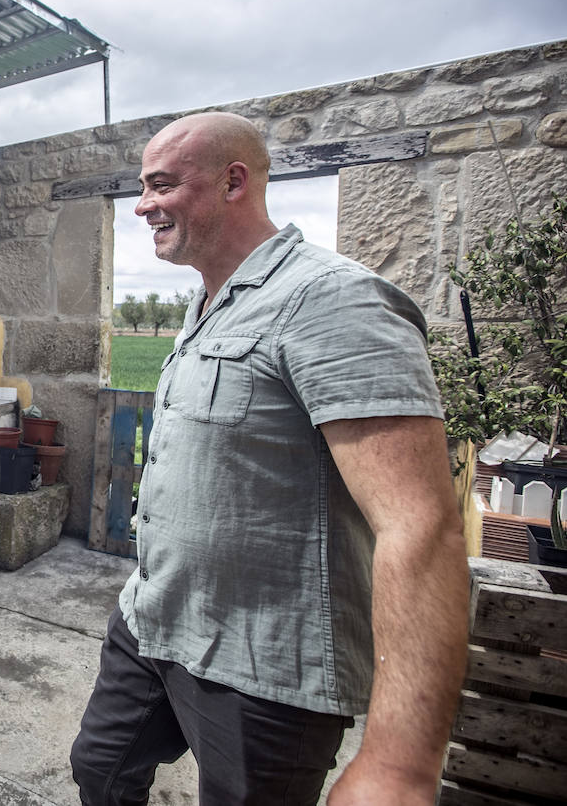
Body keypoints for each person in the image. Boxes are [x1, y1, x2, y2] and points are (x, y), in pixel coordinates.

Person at [69, 112, 469, 805]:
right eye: (141, 187)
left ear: (234, 182)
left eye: (162, 185)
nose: (141, 205)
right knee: (99, 770)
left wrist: (400, 764)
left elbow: (422, 527)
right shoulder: (207, 302)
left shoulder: (331, 300)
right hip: (154, 619)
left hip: (263, 665)